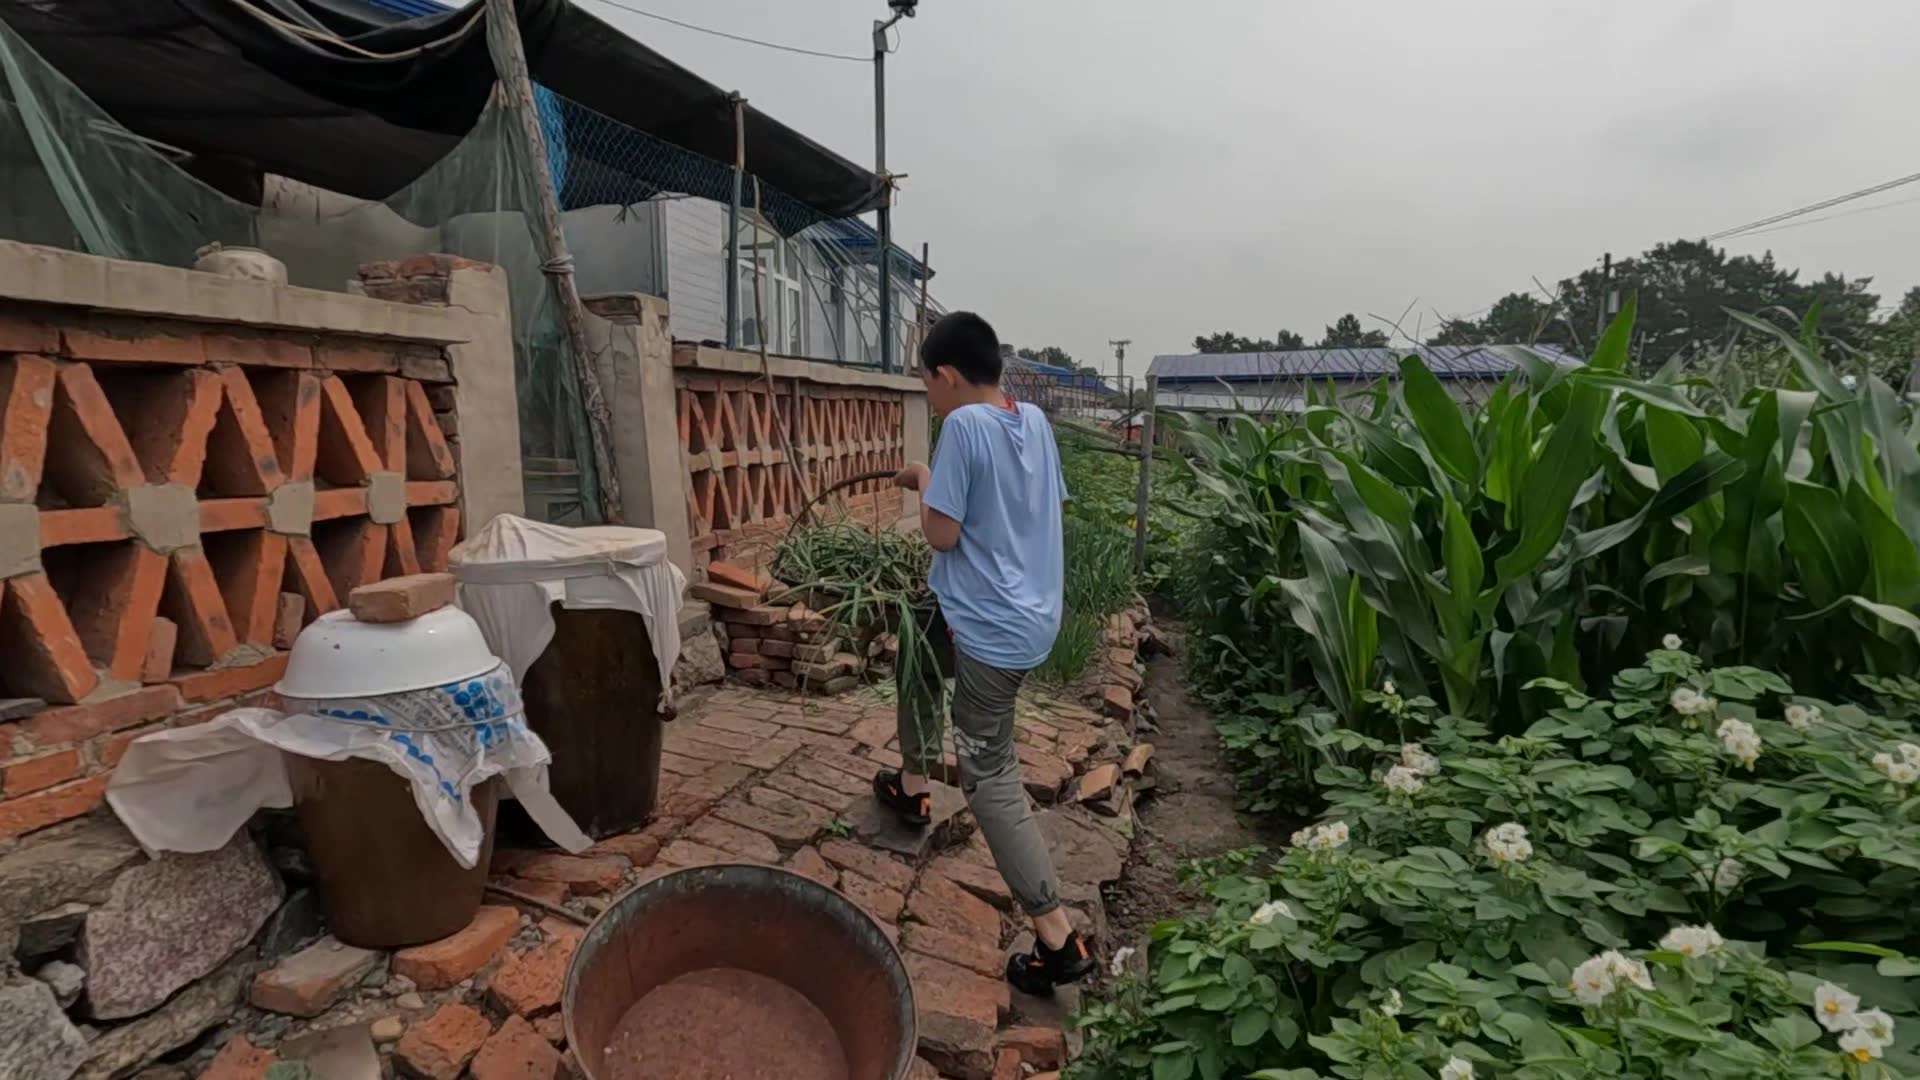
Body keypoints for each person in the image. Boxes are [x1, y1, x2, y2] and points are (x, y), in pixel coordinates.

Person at [872, 310, 1095, 994]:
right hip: (1013, 609)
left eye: (925, 382)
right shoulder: (1032, 421)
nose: (928, 396)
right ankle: (911, 786)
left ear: (945, 374)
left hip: (993, 633)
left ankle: (1056, 938)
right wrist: (934, 481)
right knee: (915, 649)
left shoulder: (962, 427)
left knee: (989, 774)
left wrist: (922, 481)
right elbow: (1028, 509)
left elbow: (941, 535)